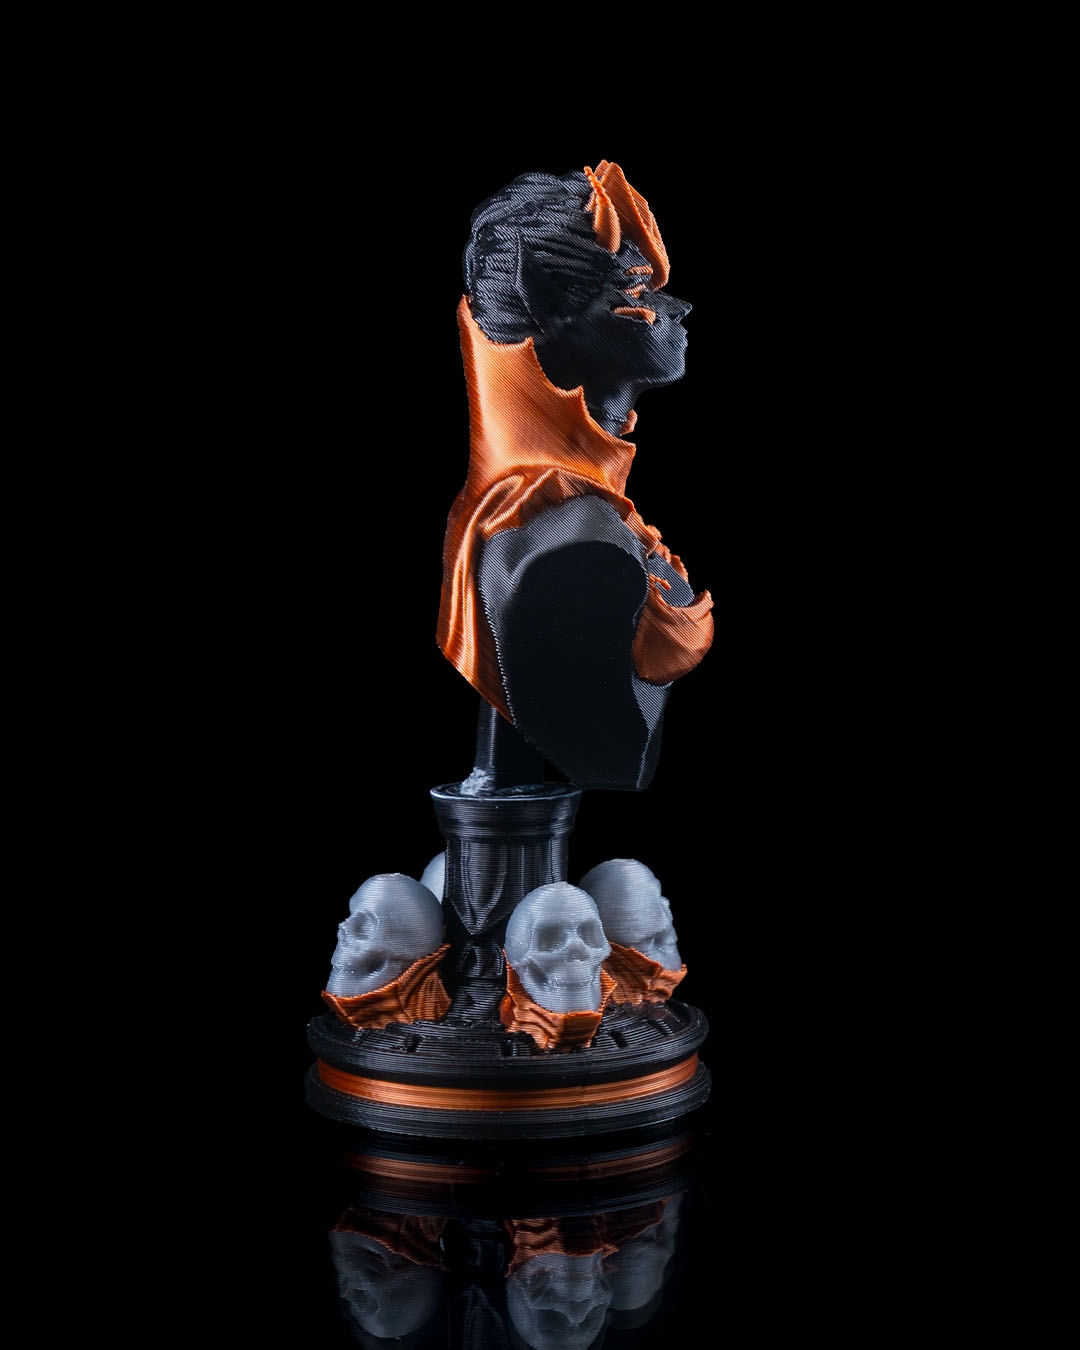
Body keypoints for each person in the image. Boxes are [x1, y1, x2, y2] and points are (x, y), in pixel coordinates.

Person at [437, 161, 714, 792]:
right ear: (550, 306)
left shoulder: (559, 520)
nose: (678, 307)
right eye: (637, 291)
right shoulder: (573, 541)